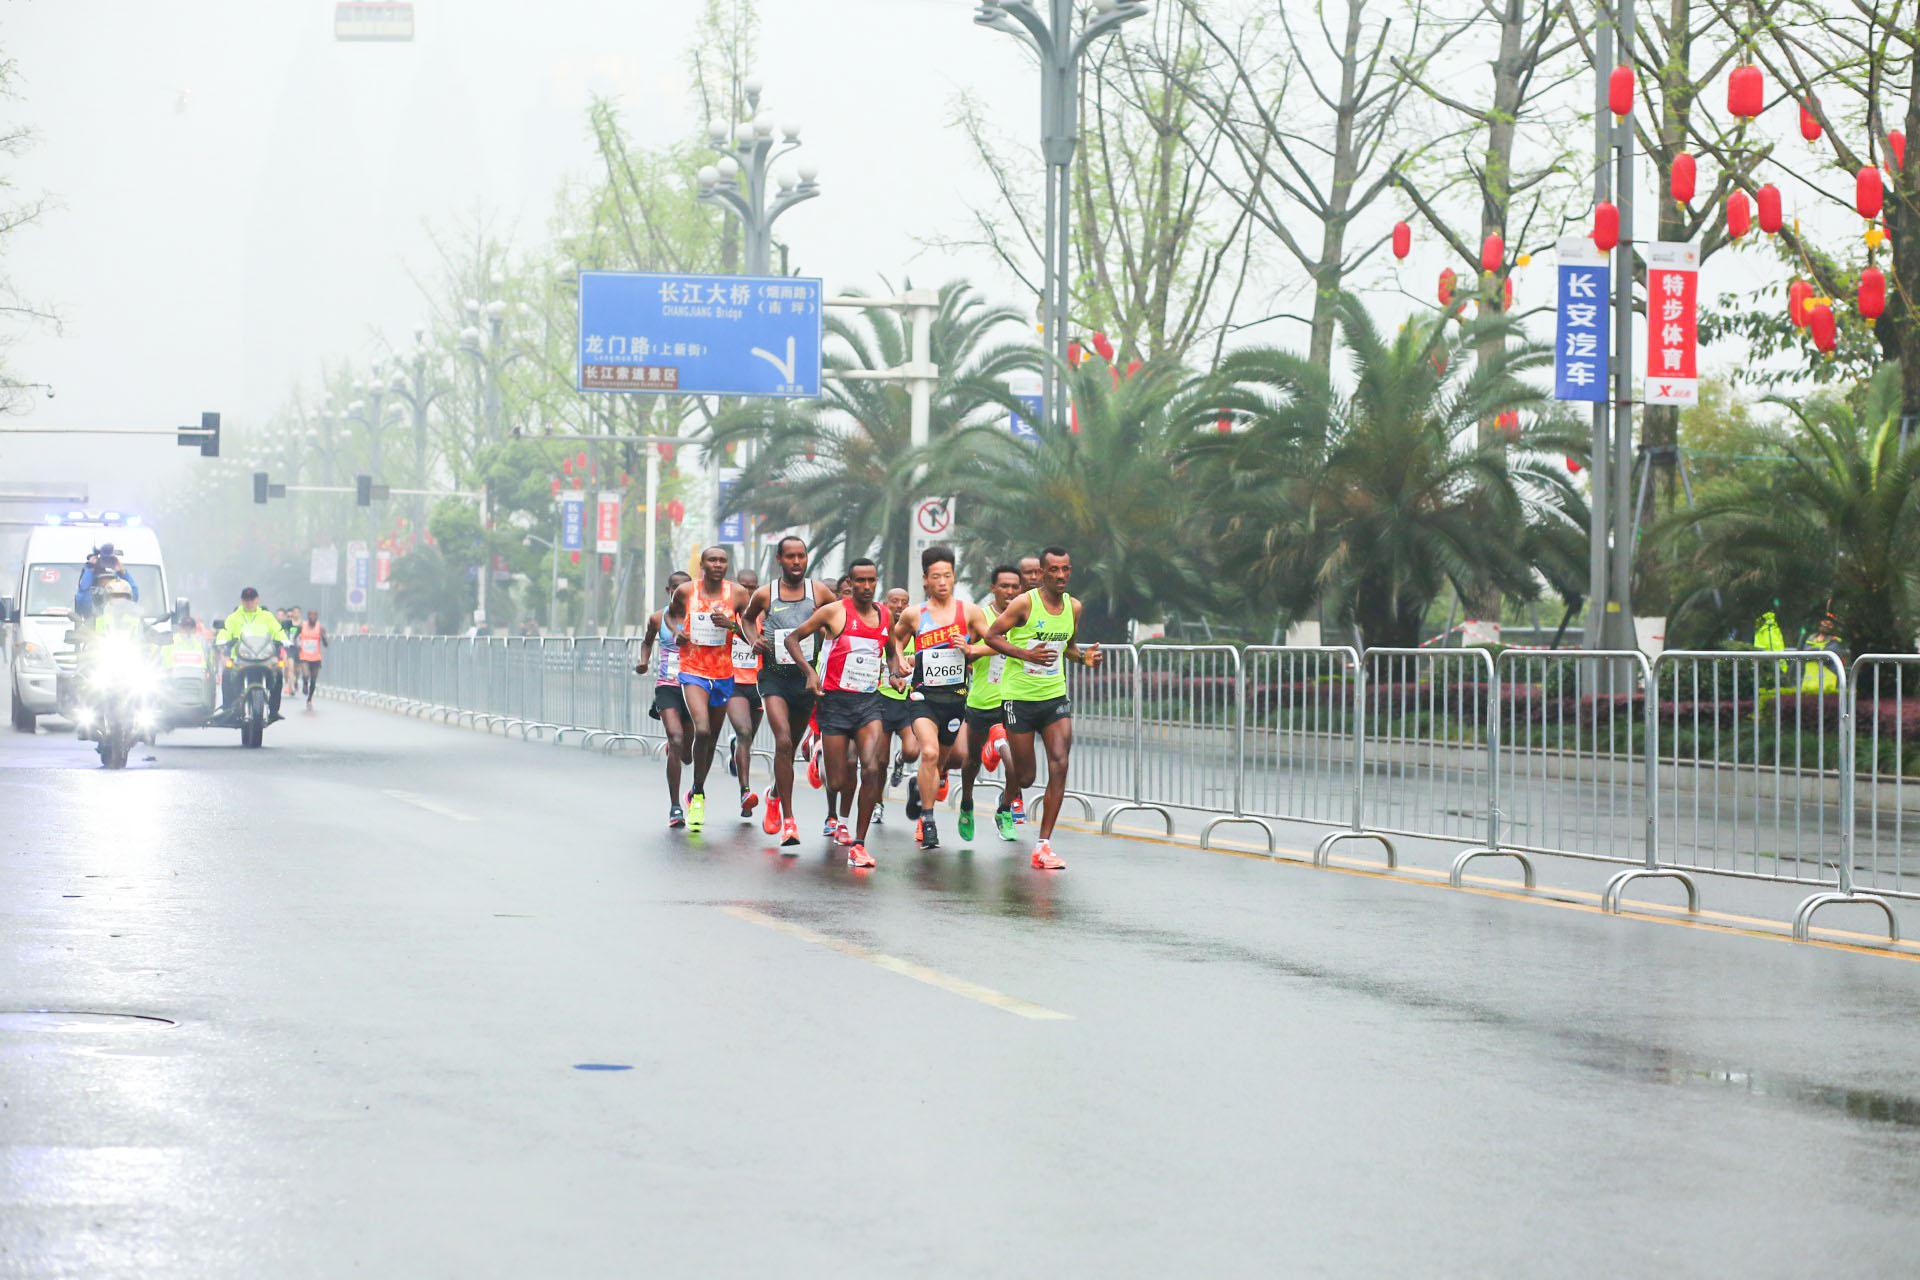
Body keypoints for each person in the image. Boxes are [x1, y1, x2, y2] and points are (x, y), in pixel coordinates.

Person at [986, 546, 1104, 870]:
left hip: (1054, 696)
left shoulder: (1074, 607)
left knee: (1060, 762)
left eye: (1066, 569)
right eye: (1054, 570)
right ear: (1041, 572)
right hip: (1019, 698)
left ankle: (1043, 845)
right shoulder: (1024, 603)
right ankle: (1001, 773)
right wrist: (1026, 655)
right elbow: (992, 636)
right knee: (1025, 778)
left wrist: (1084, 658)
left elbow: (1068, 648)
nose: (1061, 575)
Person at [784, 559, 901, 869]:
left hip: (868, 704)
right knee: (837, 780)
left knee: (871, 768)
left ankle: (859, 844)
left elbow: (890, 653)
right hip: (834, 703)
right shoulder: (834, 612)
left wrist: (893, 674)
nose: (866, 586)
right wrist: (809, 672)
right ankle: (820, 756)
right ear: (850, 582)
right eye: (860, 580)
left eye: (871, 580)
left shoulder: (884, 615)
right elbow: (791, 639)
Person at [891, 545, 995, 850]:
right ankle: (928, 821)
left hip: (955, 698)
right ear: (925, 579)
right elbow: (895, 640)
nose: (942, 582)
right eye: (936, 576)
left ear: (954, 577)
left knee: (944, 762)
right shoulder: (915, 614)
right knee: (929, 753)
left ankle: (919, 787)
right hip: (923, 697)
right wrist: (900, 661)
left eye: (947, 576)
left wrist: (972, 649)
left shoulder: (969, 612)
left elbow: (995, 642)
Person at [740, 538, 838, 850]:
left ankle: (773, 794)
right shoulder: (766, 593)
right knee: (782, 742)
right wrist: (753, 639)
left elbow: (840, 621)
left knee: (791, 748)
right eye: (790, 556)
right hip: (774, 678)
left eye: (801, 556)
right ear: (780, 559)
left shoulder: (819, 592)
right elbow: (746, 619)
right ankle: (789, 821)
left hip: (806, 681)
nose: (797, 561)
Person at [671, 547, 752, 833]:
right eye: (712, 560)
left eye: (722, 561)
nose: (718, 564)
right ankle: (699, 796)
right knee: (702, 730)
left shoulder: (738, 594)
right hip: (693, 670)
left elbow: (750, 633)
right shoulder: (686, 591)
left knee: (712, 737)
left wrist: (732, 626)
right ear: (702, 564)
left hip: (723, 674)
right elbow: (671, 617)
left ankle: (696, 790)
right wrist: (678, 632)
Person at [959, 564, 1023, 842]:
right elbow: (966, 654)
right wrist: (990, 646)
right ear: (993, 588)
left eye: (1015, 587)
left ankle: (1004, 810)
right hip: (981, 702)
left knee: (1015, 764)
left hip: (1013, 703)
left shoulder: (1024, 616)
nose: (1010, 592)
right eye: (1004, 586)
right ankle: (967, 802)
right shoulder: (980, 617)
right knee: (971, 761)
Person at [638, 571, 694, 828]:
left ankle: (683, 761)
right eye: (675, 589)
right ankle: (675, 807)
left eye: (685, 589)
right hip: (667, 686)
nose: (680, 593)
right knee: (676, 738)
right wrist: (643, 661)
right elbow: (647, 642)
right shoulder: (658, 618)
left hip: (695, 687)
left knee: (687, 755)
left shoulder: (699, 617)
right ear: (668, 590)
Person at [725, 567, 765, 820]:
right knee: (744, 732)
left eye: (753, 587)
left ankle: (736, 755)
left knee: (748, 740)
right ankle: (745, 793)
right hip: (733, 683)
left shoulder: (764, 614)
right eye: (744, 587)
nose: (748, 591)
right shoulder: (727, 613)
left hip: (759, 684)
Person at [216, 587, 289, 720]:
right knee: (226, 672)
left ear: (257, 600)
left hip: (265, 658)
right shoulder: (234, 617)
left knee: (278, 673)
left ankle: (273, 710)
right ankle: (228, 708)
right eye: (246, 599)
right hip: (239, 659)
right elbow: (225, 631)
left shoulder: (267, 616)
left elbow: (278, 631)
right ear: (242, 600)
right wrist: (222, 640)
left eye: (252, 599)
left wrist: (284, 640)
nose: (249, 602)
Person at [878, 585, 919, 823]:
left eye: (904, 602)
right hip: (882, 700)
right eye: (894, 601)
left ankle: (900, 761)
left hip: (907, 702)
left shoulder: (915, 632)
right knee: (878, 762)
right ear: (886, 603)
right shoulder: (880, 629)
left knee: (912, 751)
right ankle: (877, 803)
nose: (900, 606)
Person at [295, 610, 327, 705]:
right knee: (306, 675)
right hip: (304, 656)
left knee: (313, 680)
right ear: (308, 617)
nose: (313, 618)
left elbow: (326, 644)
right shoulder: (302, 626)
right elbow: (295, 638)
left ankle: (309, 698)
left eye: (315, 616)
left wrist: (323, 636)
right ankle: (305, 683)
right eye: (311, 616)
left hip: (316, 658)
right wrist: (298, 645)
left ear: (317, 617)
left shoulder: (320, 628)